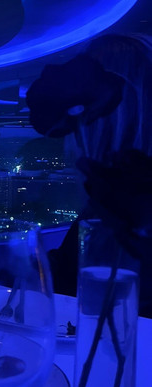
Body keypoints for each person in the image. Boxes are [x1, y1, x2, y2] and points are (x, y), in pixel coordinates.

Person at [26, 33, 152, 317]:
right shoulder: (107, 206)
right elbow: (66, 276)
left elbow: (86, 302)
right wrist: (8, 267)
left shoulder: (122, 215)